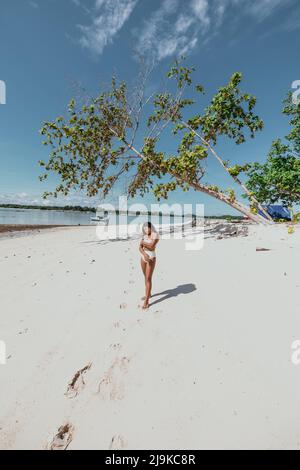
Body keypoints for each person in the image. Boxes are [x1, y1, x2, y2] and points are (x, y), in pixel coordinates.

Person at [139, 222, 159, 310]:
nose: (146, 230)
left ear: (151, 228)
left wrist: (143, 242)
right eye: (144, 229)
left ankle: (146, 301)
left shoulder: (156, 235)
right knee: (145, 276)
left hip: (151, 257)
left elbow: (152, 246)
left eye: (147, 228)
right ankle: (149, 294)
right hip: (143, 257)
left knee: (148, 278)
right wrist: (144, 254)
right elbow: (139, 247)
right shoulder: (144, 235)